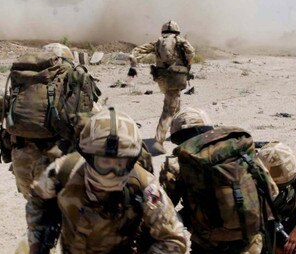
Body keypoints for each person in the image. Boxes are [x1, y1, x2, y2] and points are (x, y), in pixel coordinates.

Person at [0, 44, 99, 244]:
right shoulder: (68, 85)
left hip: (22, 162)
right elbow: (96, 120)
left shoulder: (20, 86)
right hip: (57, 160)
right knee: (67, 214)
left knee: (36, 210)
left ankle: (38, 240)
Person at [27, 107, 188, 254]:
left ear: (131, 162)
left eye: (120, 164)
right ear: (88, 157)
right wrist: (38, 244)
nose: (112, 173)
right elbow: (37, 201)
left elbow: (174, 239)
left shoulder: (144, 185)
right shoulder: (63, 171)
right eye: (104, 162)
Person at [159, 107, 279, 254]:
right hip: (251, 239)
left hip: (209, 242)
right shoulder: (239, 151)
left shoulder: (176, 164)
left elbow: (166, 206)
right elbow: (272, 190)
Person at [128, 20, 195, 154]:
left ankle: (177, 131)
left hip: (162, 79)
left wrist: (133, 63)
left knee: (175, 103)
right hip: (175, 78)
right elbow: (191, 52)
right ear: (177, 31)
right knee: (169, 110)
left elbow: (137, 51)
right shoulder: (180, 41)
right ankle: (158, 141)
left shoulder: (158, 42)